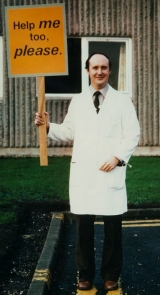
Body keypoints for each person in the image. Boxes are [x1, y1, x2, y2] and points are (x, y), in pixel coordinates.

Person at [35, 53, 140, 291]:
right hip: (84, 173)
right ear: (87, 71)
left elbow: (132, 134)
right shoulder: (79, 101)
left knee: (113, 227)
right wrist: (49, 126)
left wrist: (117, 157)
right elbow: (70, 131)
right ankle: (85, 275)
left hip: (110, 171)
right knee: (84, 228)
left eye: (104, 67)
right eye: (95, 68)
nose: (99, 72)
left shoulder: (122, 101)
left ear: (110, 71)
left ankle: (111, 275)